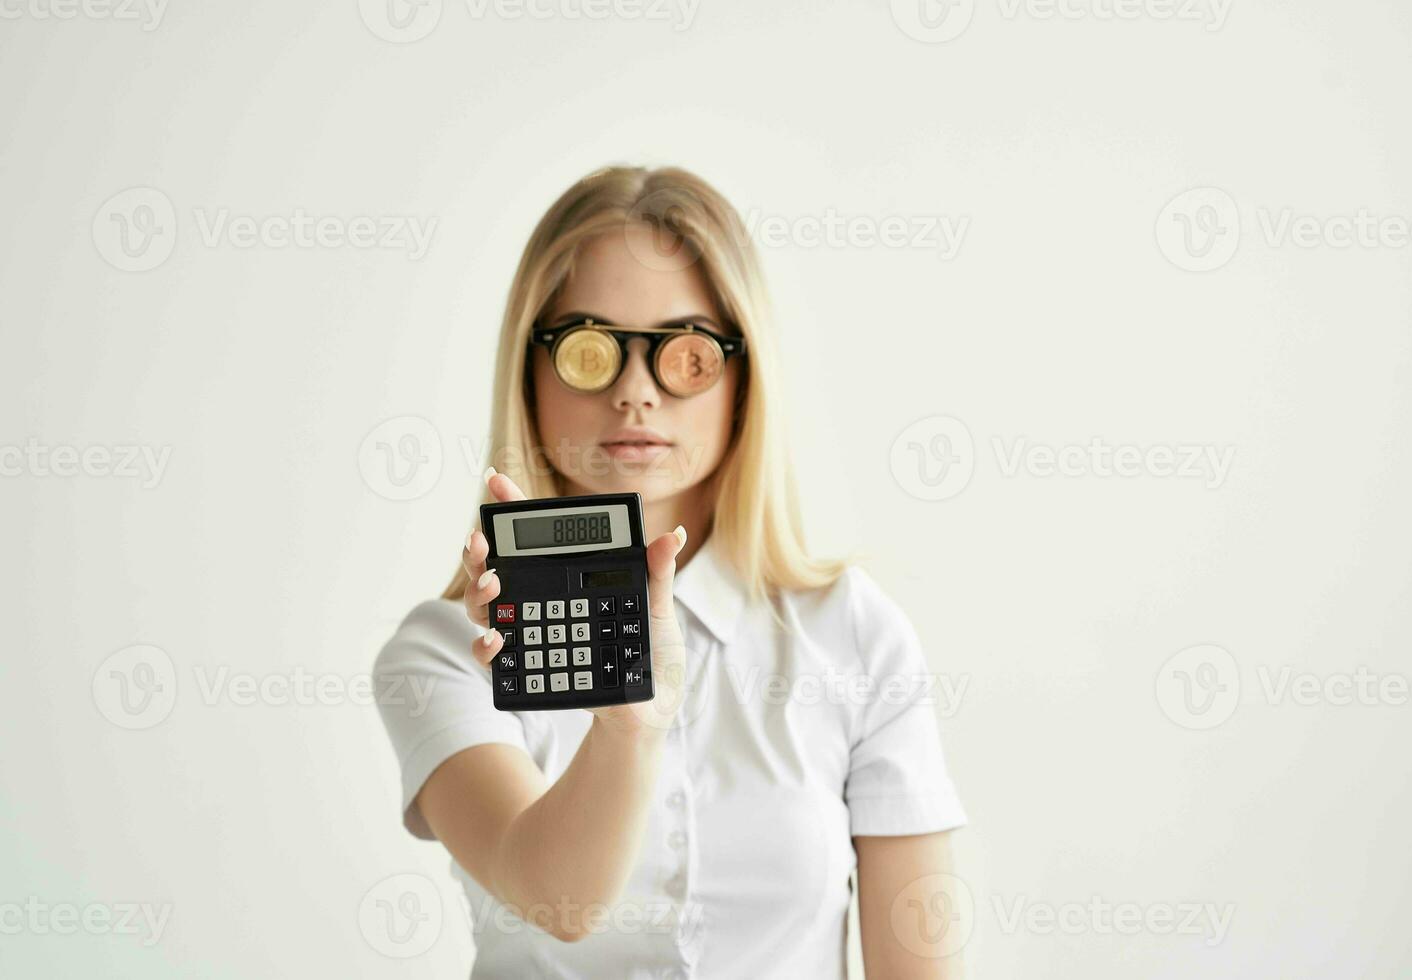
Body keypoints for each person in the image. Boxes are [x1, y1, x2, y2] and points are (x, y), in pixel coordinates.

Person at [373, 165, 968, 978]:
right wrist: (628, 722)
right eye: (590, 349)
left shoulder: (852, 633)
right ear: (532, 371)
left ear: (742, 377)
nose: (634, 391)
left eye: (685, 355)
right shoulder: (447, 652)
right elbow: (557, 898)